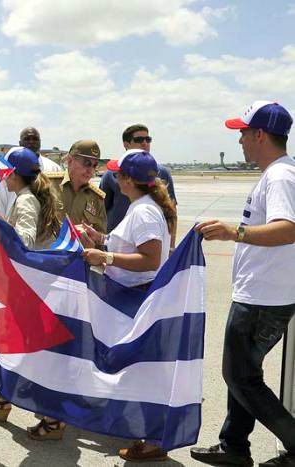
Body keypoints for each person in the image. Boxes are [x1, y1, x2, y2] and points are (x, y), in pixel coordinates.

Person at [191, 101, 295, 467]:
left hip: (263, 299)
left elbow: (287, 229)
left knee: (240, 376)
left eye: (243, 133)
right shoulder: (277, 172)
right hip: (262, 293)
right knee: (243, 374)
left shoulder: (280, 176)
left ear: (260, 135)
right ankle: (234, 446)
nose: (240, 141)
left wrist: (234, 232)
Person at [0, 145, 106, 440]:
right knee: (27, 349)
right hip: (45, 286)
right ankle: (5, 400)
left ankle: (52, 418)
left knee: (43, 353)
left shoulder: (26, 201)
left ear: (10, 174)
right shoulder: (40, 192)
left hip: (39, 288)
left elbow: (22, 242)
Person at [79, 149, 176, 462]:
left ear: (129, 179)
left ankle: (153, 439)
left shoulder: (144, 212)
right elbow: (132, 247)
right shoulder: (141, 207)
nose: (112, 177)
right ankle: (146, 431)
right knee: (133, 367)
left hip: (139, 297)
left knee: (141, 369)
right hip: (134, 296)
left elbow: (150, 258)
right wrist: (102, 238)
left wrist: (105, 257)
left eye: (118, 173)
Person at [100, 124, 177, 233]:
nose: (145, 143)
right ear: (126, 144)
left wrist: (171, 246)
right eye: (139, 139)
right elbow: (101, 210)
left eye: (148, 139)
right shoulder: (110, 175)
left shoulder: (162, 173)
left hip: (145, 238)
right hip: (116, 239)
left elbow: (171, 211)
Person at [0, 127, 62, 218]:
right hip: (13, 223)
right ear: (20, 143)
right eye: (27, 139)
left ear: (40, 142)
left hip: (45, 223)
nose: (31, 142)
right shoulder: (7, 165)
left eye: (35, 139)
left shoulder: (54, 168)